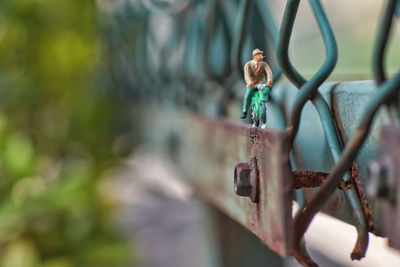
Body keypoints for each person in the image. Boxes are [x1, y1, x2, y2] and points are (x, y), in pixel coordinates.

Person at [241, 48, 273, 128]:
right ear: (255, 56)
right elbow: (246, 75)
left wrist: (269, 80)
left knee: (264, 96)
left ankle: (264, 122)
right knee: (247, 96)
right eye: (259, 55)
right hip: (252, 84)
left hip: (261, 83)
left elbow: (269, 72)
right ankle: (245, 111)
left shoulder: (264, 64)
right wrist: (249, 82)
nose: (261, 56)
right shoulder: (248, 65)